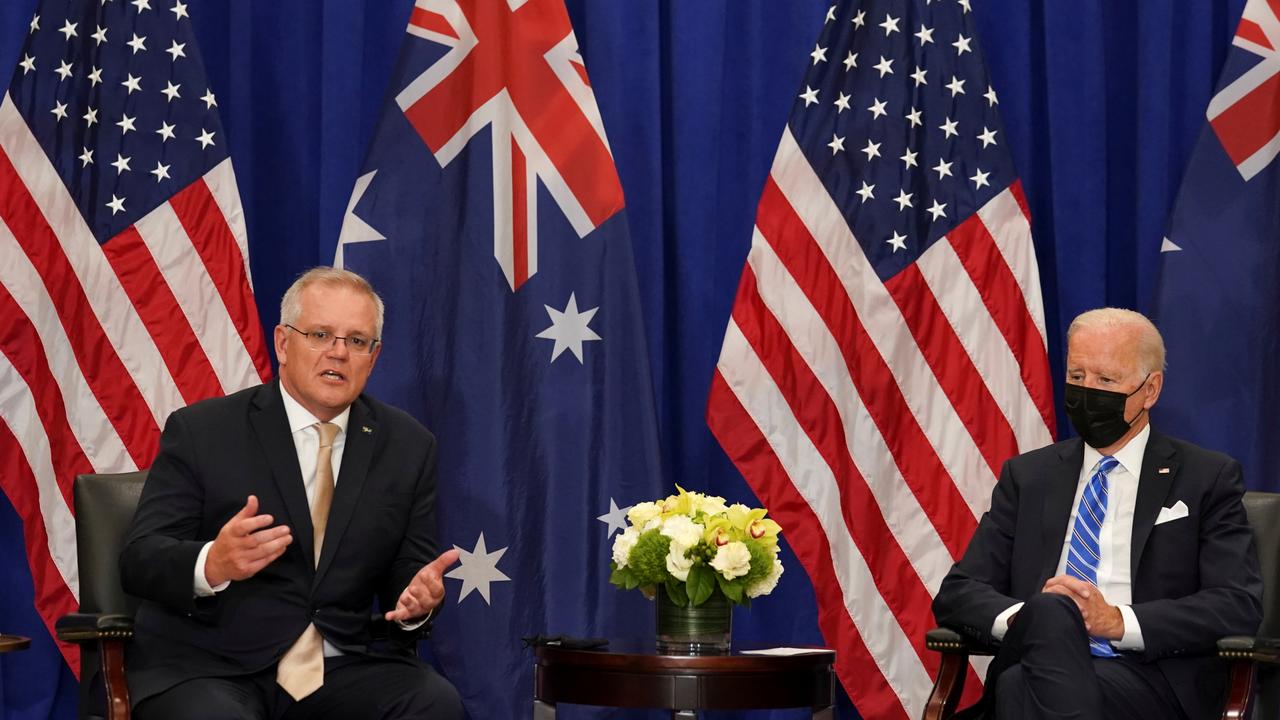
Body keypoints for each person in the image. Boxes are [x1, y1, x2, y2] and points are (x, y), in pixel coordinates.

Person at [120, 267, 464, 720]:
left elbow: (408, 571)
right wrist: (214, 562)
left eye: (356, 341)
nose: (338, 354)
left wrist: (416, 601)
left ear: (373, 357)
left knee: (433, 702)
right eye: (321, 334)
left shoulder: (408, 446)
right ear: (284, 343)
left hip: (338, 666)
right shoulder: (203, 430)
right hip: (213, 664)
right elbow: (139, 560)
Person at [933, 307, 1263, 720]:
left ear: (1150, 390)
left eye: (1106, 380)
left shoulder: (1206, 478)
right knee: (1050, 617)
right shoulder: (1030, 476)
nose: (1087, 391)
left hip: (1149, 678)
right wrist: (1038, 621)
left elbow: (1235, 604)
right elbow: (960, 592)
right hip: (1036, 655)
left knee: (1019, 689)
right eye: (1077, 377)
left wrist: (1116, 621)